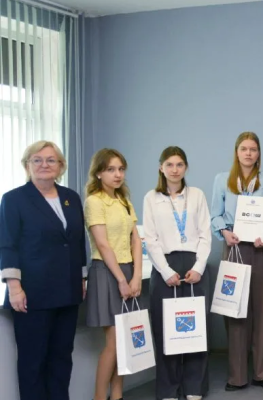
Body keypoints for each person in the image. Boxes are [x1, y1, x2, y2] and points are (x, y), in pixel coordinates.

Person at [0, 141, 86, 400]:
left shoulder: (71, 197)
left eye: (51, 160)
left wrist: (82, 277)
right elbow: (7, 244)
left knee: (62, 357)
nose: (44, 165)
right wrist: (14, 287)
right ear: (27, 165)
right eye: (37, 160)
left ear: (61, 166)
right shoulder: (14, 199)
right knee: (33, 361)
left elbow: (78, 241)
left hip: (68, 290)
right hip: (32, 293)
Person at [210, 132, 263, 392]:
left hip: (261, 249)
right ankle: (237, 375)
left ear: (258, 153)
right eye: (244, 149)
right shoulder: (222, 179)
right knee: (235, 310)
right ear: (237, 151)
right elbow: (215, 215)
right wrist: (224, 232)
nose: (248, 153)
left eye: (253, 149)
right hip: (234, 248)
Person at [142, 146, 211, 400]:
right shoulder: (151, 198)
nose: (174, 169)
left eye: (179, 164)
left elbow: (205, 235)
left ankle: (194, 386)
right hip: (165, 266)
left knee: (195, 327)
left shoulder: (197, 195)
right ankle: (168, 388)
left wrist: (199, 267)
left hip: (194, 264)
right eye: (169, 164)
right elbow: (150, 239)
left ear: (186, 167)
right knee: (165, 328)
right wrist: (165, 271)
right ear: (161, 168)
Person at [84, 148, 143, 400]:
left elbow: (136, 240)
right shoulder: (94, 201)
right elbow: (103, 244)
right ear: (98, 173)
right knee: (114, 342)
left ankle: (117, 395)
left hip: (128, 270)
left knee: (125, 340)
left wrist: (136, 276)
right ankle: (100, 396)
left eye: (120, 169)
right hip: (107, 272)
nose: (117, 174)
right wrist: (121, 279)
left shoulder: (124, 200)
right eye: (110, 169)